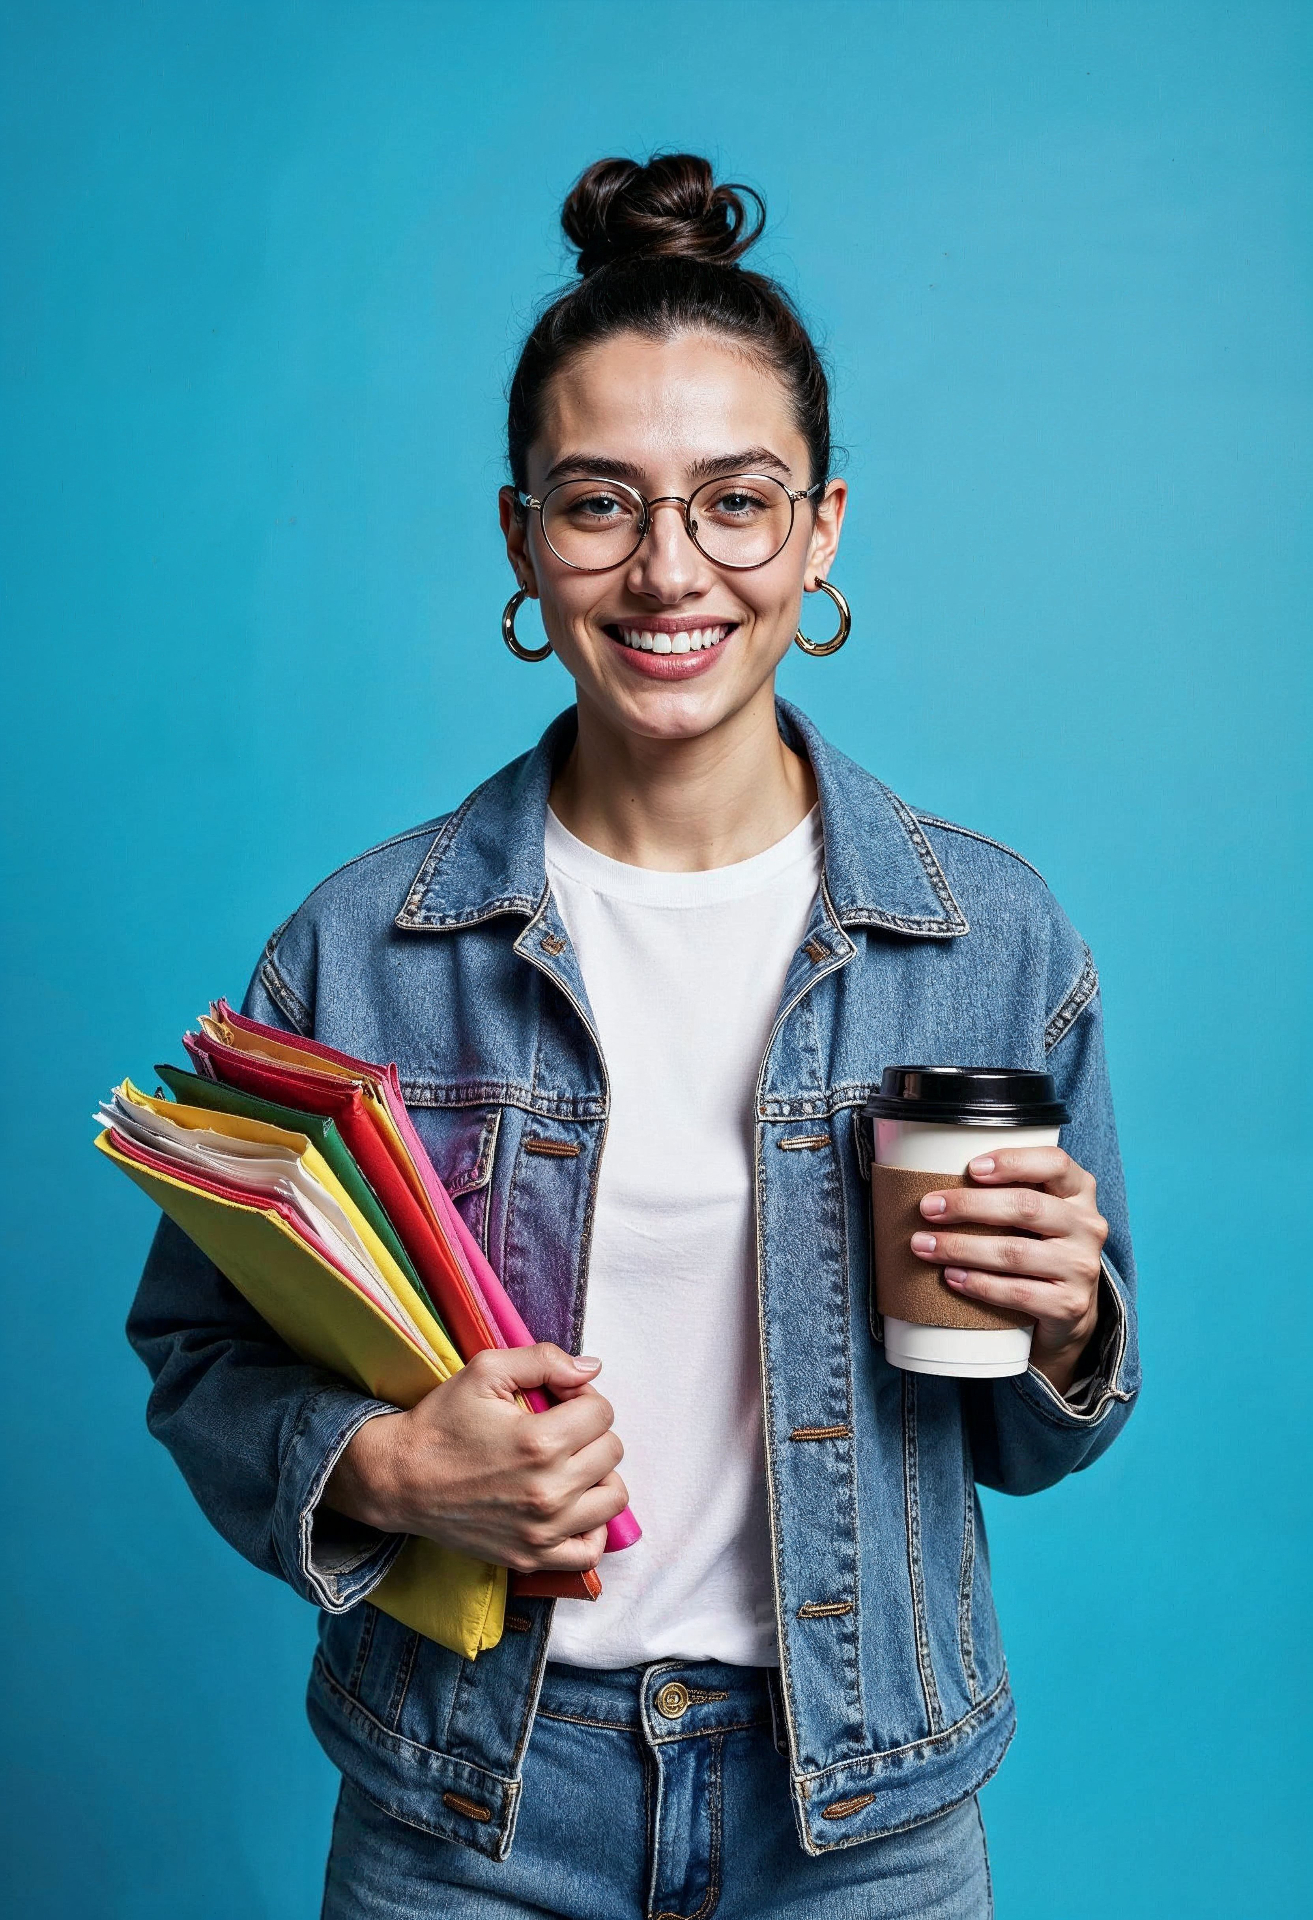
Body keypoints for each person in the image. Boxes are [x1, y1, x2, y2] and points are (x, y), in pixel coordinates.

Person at [128, 153, 1140, 1919]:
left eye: (734, 503)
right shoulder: (361, 945)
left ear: (820, 529)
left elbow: (1034, 1440)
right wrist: (386, 1466)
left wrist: (1068, 1323)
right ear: (521, 536)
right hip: (470, 1804)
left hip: (864, 1816)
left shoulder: (992, 941)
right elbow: (199, 1354)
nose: (670, 569)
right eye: (599, 503)